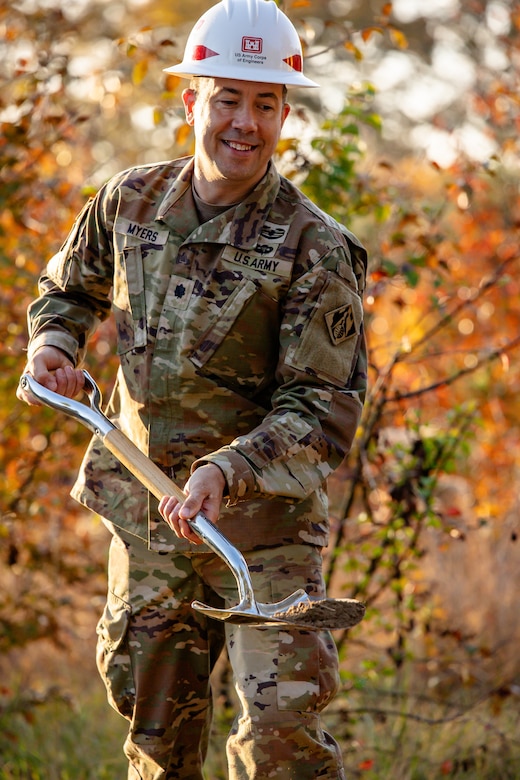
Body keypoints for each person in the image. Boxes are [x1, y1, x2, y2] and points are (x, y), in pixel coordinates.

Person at [17, 0, 367, 777]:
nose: (245, 123)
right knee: (155, 736)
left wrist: (227, 469)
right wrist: (54, 344)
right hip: (148, 514)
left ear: (285, 111)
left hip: (263, 535)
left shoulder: (315, 249)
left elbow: (322, 411)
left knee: (282, 738)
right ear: (192, 101)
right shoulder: (130, 201)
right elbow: (67, 289)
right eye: (229, 99)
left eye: (265, 104)